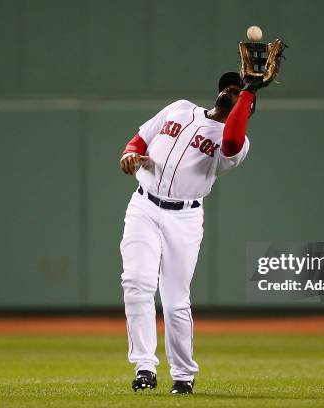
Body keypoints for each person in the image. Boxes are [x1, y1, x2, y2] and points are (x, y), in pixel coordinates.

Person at [119, 72, 261, 395]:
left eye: (238, 91)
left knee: (174, 301)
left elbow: (232, 142)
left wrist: (249, 92)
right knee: (136, 283)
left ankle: (183, 374)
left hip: (184, 218)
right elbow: (139, 139)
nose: (231, 90)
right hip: (143, 206)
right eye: (230, 86)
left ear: (247, 109)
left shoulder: (237, 142)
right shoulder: (180, 109)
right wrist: (129, 154)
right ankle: (144, 366)